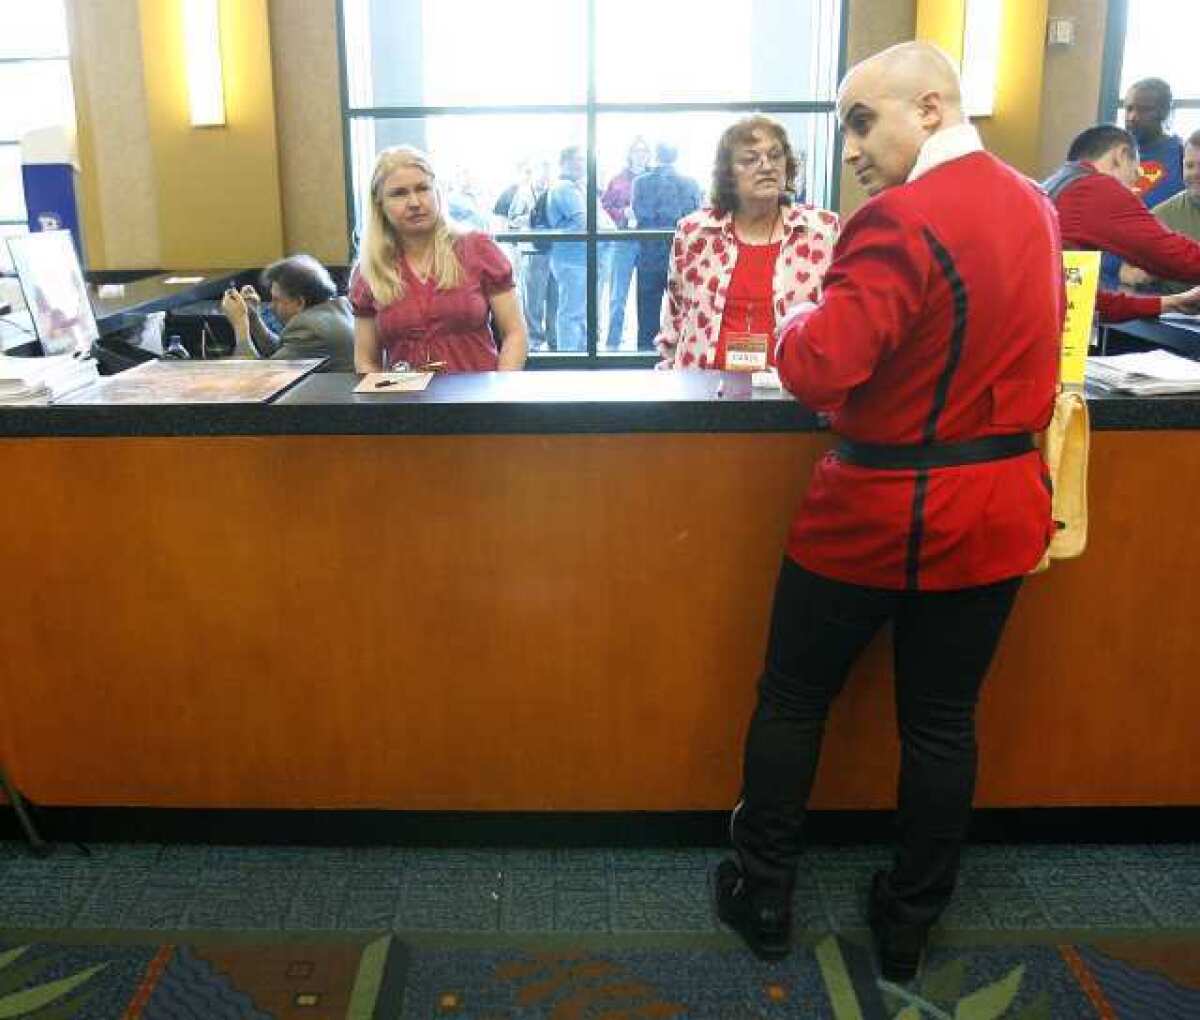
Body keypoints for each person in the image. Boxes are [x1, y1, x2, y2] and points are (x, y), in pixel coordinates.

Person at [714, 42, 1063, 982]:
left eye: (864, 122)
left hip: (877, 510)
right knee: (944, 724)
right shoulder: (1037, 201)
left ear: (935, 109)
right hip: (997, 508)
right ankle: (910, 921)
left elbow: (821, 365)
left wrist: (789, 323)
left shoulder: (897, 221)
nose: (852, 151)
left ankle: (765, 893)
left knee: (792, 700)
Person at [654, 115, 838, 371]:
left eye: (775, 156)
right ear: (728, 173)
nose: (767, 166)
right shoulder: (694, 232)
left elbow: (840, 323)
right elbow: (675, 317)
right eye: (750, 159)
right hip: (702, 395)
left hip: (794, 395)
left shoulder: (822, 230)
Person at [349, 146, 527, 373]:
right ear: (379, 203)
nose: (414, 202)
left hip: (479, 400)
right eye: (399, 193)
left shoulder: (478, 249)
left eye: (423, 189)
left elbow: (515, 333)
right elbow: (366, 360)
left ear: (437, 192)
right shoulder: (369, 271)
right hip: (403, 404)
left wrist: (500, 395)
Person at [1042, 125, 1200, 321]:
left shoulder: (1054, 186)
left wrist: (1170, 302)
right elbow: (1168, 254)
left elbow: (1089, 301)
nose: (1133, 185)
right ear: (1121, 155)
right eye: (1134, 173)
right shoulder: (1095, 189)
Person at [220, 255, 355, 372]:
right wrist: (253, 318)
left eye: (277, 300)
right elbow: (282, 352)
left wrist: (240, 325)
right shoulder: (340, 308)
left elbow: (256, 378)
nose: (271, 307)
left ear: (299, 302)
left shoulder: (310, 332)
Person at [631, 143, 702, 350]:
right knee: (682, 316)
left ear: (655, 155)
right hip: (682, 257)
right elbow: (692, 218)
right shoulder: (690, 184)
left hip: (649, 255)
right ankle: (678, 360)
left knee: (647, 316)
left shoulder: (640, 183)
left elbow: (640, 214)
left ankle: (644, 360)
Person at [1123, 129, 1200, 294]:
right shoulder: (1161, 216)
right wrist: (1140, 276)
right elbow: (1126, 271)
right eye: (1190, 165)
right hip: (1177, 314)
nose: (1195, 173)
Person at [601, 137, 651, 348]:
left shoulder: (654, 178)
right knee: (617, 296)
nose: (641, 154)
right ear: (630, 154)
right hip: (623, 242)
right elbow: (604, 208)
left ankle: (645, 345)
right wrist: (622, 213)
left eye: (644, 150)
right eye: (637, 150)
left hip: (649, 241)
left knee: (648, 295)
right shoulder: (617, 180)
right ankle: (613, 343)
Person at [545, 146, 587, 352]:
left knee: (579, 313)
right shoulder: (564, 188)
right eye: (578, 159)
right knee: (571, 313)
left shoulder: (577, 187)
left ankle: (580, 356)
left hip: (578, 259)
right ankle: (570, 360)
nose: (582, 164)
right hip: (572, 260)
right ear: (565, 162)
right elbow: (584, 221)